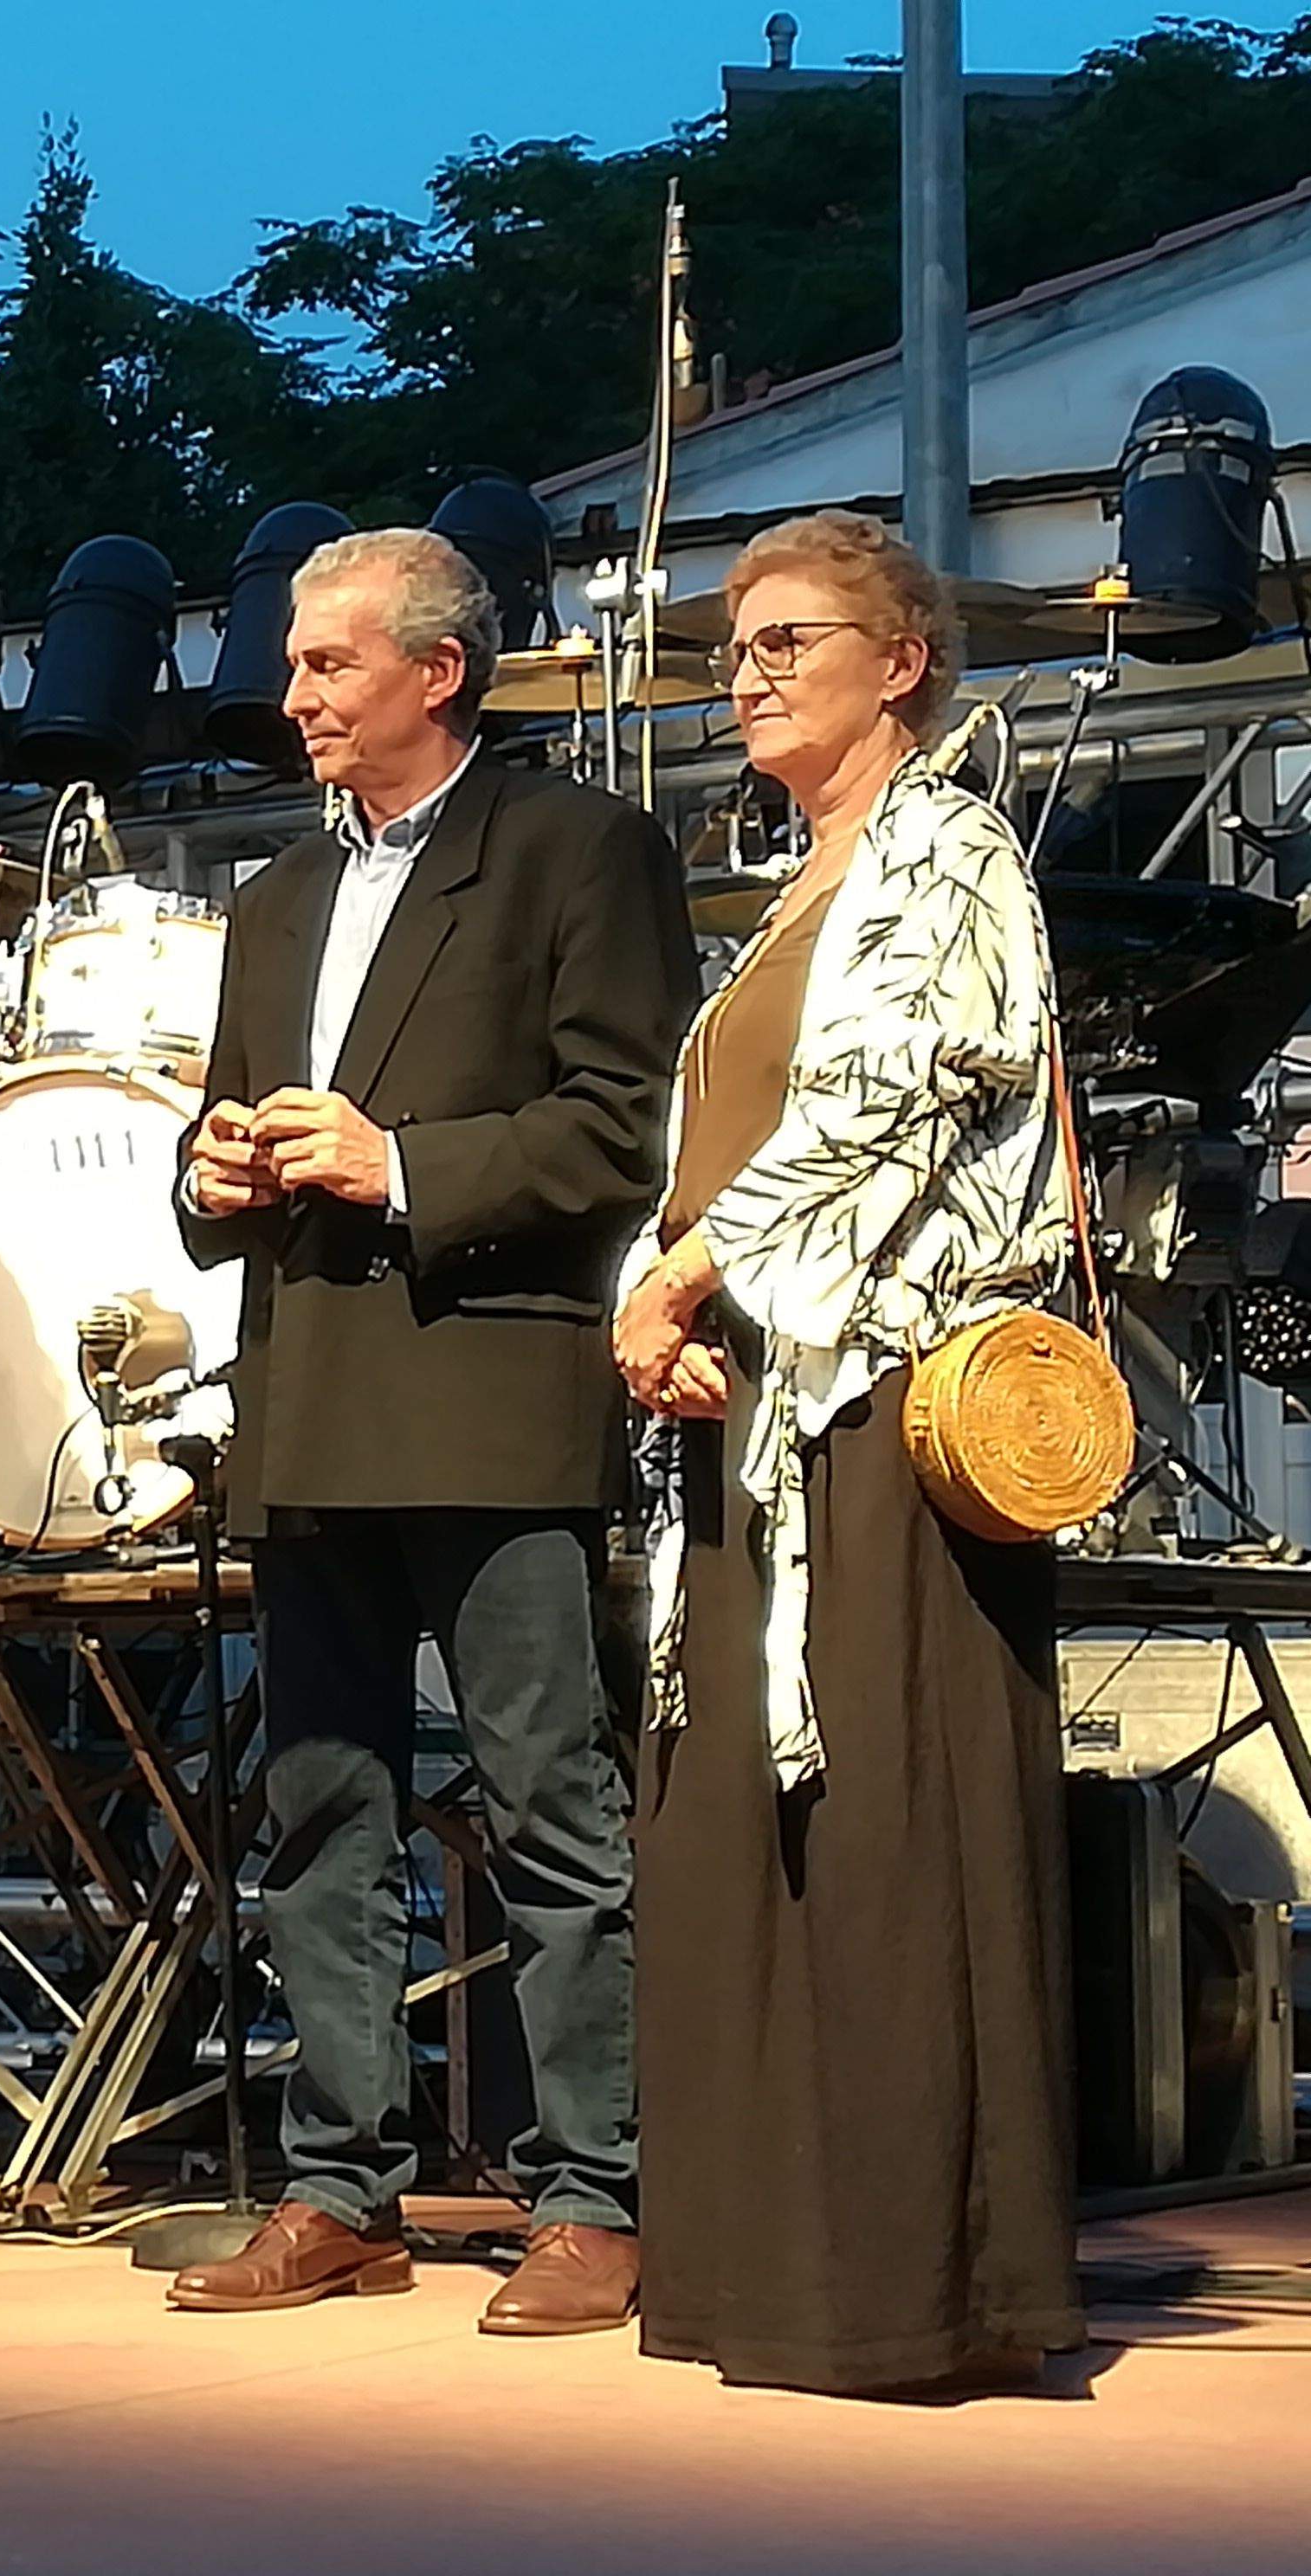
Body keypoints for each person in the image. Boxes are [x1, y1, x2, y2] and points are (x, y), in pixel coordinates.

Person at [167, 527, 695, 2331]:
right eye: (298, 667)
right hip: (311, 1396)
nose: (295, 695)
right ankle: (341, 2188)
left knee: (547, 1804)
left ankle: (591, 2193)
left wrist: (396, 1163)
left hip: (484, 1390)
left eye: (327, 666)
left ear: (438, 672)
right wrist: (214, 1163)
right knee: (319, 1814)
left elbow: (621, 1127)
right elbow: (233, 1138)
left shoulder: (576, 849)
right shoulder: (275, 898)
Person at [612, 510, 1083, 2395]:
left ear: (898, 664)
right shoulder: (798, 888)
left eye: (789, 639)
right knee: (755, 1847)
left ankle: (907, 2287)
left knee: (881, 1839)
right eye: (734, 647)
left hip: (880, 1413)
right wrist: (678, 1310)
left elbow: (887, 1105)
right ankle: (768, 2273)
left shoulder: (948, 850)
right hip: (759, 1413)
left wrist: (681, 1275)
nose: (751, 674)